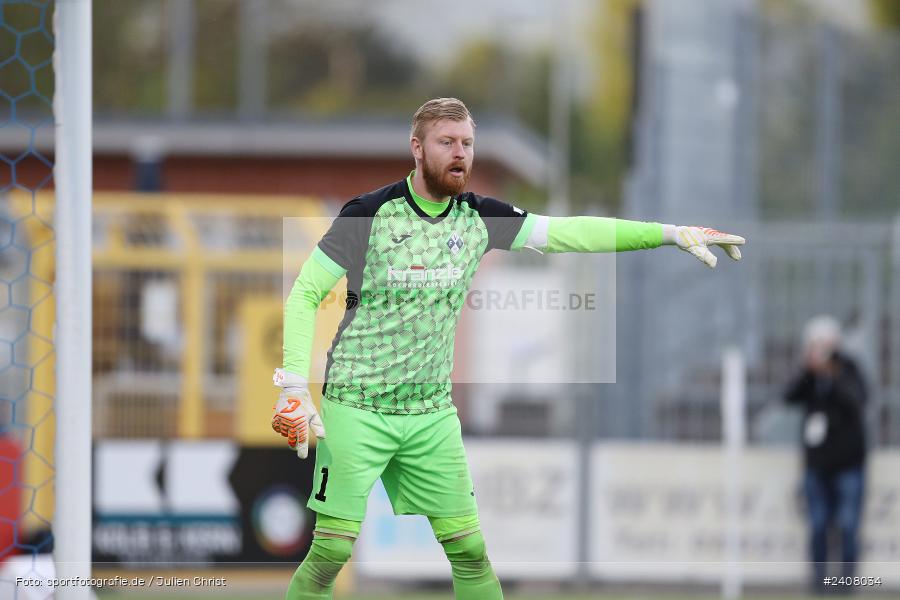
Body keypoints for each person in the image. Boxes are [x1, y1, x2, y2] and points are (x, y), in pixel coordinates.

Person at [271, 97, 746, 600]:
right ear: (417, 148)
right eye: (447, 142)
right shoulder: (368, 213)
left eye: (468, 143)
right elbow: (304, 292)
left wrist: (671, 234)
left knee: (471, 552)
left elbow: (570, 233)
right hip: (356, 406)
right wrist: (295, 387)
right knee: (331, 555)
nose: (460, 153)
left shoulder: (480, 217)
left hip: (430, 414)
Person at [785, 315, 868, 594]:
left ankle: (846, 585)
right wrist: (808, 371)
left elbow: (858, 401)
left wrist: (833, 374)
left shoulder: (849, 369)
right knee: (818, 524)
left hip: (848, 463)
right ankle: (820, 584)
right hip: (817, 465)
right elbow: (788, 396)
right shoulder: (809, 375)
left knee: (847, 524)